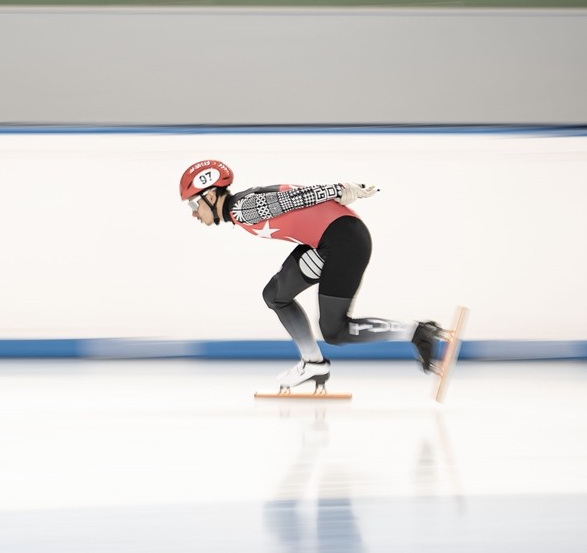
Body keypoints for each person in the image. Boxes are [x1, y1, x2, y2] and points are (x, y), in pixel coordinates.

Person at [179, 159, 442, 391]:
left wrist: (340, 189)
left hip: (344, 242)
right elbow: (292, 199)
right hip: (329, 242)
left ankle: (417, 332)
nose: (193, 213)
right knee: (275, 295)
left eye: (193, 203)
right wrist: (338, 191)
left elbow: (297, 197)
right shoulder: (242, 206)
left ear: (210, 196)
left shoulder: (243, 209)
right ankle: (313, 363)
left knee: (335, 331)